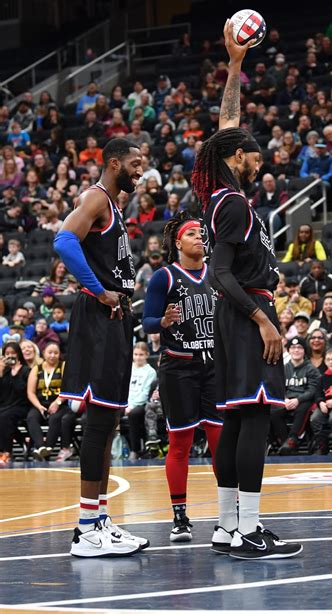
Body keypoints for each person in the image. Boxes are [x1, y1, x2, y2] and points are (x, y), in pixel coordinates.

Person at [191, 20, 302, 560]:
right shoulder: (233, 202)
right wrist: (263, 320)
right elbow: (222, 273)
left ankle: (227, 525)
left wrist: (235, 65)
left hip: (233, 315)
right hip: (246, 310)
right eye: (255, 155)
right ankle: (249, 530)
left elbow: (226, 125)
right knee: (254, 417)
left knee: (236, 418)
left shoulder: (219, 191)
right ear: (239, 157)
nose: (261, 161)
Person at [53, 138, 148, 557]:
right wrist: (99, 291)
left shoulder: (111, 203)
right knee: (97, 423)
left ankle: (100, 520)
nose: (140, 170)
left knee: (109, 422)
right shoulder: (95, 197)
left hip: (116, 318)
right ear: (113, 163)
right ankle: (86, 529)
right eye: (134, 163)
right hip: (99, 318)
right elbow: (63, 242)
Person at [142, 211, 222, 540]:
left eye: (202, 233)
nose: (200, 237)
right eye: (192, 234)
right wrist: (161, 322)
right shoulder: (164, 278)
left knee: (221, 441)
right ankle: (179, 516)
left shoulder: (218, 273)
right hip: (178, 366)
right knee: (180, 443)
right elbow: (147, 321)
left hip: (215, 365)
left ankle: (230, 514)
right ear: (178, 243)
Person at [270, 336, 321, 455]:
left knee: (304, 408)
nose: (296, 350)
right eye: (293, 348)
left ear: (304, 351)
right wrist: (284, 399)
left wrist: (298, 400)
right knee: (274, 411)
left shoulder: (311, 369)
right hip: (286, 400)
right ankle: (285, 442)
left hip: (304, 400)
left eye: (299, 347)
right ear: (288, 351)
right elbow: (277, 387)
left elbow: (313, 389)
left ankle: (292, 439)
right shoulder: (282, 368)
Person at [26, 341, 65, 460]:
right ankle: (41, 447)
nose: (52, 355)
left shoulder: (63, 366)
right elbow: (30, 392)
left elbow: (69, 389)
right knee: (31, 417)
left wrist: (57, 402)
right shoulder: (36, 369)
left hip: (59, 403)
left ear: (59, 354)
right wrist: (38, 406)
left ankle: (48, 448)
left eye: (56, 353)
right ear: (44, 353)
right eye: (50, 352)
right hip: (41, 403)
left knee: (55, 418)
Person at [0, 342, 31, 465]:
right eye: (7, 353)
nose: (10, 356)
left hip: (21, 406)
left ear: (18, 354)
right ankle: (21, 440)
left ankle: (7, 451)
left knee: (4, 417)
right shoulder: (3, 370)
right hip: (5, 405)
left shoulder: (25, 370)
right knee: (3, 415)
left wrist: (15, 374)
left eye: (13, 353)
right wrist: (1, 373)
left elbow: (22, 391)